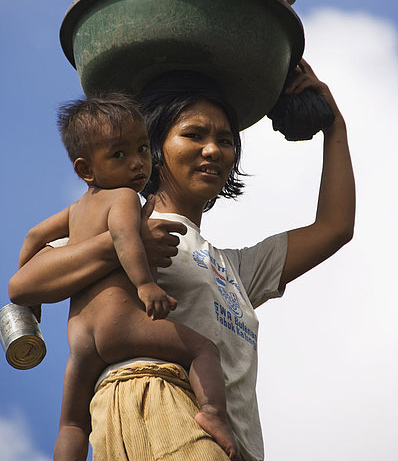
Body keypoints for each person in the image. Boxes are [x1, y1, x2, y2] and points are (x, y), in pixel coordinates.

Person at [9, 60, 355, 461]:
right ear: (154, 149)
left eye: (226, 141)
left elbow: (335, 227)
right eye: (194, 135)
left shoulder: (233, 268)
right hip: (160, 421)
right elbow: (26, 282)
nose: (213, 149)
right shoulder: (123, 221)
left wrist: (334, 126)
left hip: (231, 448)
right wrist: (122, 246)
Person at [17, 94, 241, 461]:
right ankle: (213, 414)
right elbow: (125, 237)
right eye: (119, 155)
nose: (138, 163)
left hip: (81, 344)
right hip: (123, 326)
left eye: (141, 148)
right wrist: (146, 285)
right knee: (203, 348)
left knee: (72, 424)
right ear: (86, 170)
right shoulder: (123, 197)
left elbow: (31, 239)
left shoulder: (74, 212)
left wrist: (32, 302)